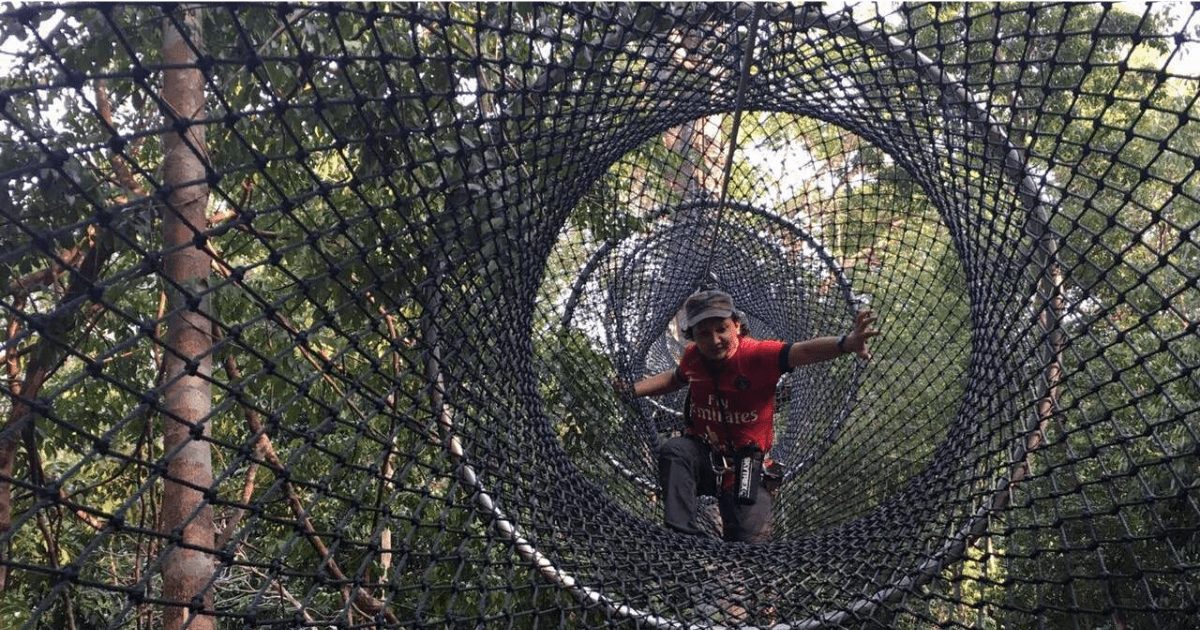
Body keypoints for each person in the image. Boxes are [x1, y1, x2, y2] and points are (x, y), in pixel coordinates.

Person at [616, 290, 879, 543]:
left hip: (744, 468)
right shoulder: (694, 358)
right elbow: (675, 379)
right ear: (692, 337)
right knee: (675, 450)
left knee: (750, 543)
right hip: (702, 457)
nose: (715, 339)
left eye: (722, 329)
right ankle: (681, 540)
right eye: (704, 333)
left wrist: (846, 343)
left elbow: (805, 351)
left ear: (737, 327)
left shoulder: (757, 355)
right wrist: (633, 390)